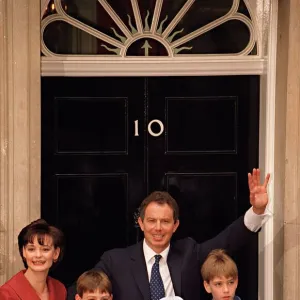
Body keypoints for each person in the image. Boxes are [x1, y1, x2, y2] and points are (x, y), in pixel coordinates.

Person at [67, 168, 271, 300]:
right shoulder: (115, 260)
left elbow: (228, 240)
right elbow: (78, 291)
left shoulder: (190, 252)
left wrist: (257, 210)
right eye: (151, 221)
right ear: (141, 223)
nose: (158, 228)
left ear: (175, 225)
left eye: (165, 222)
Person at [0, 219, 66, 300]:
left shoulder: (59, 289)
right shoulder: (6, 294)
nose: (38, 255)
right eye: (31, 249)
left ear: (56, 253)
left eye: (45, 249)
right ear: (23, 252)